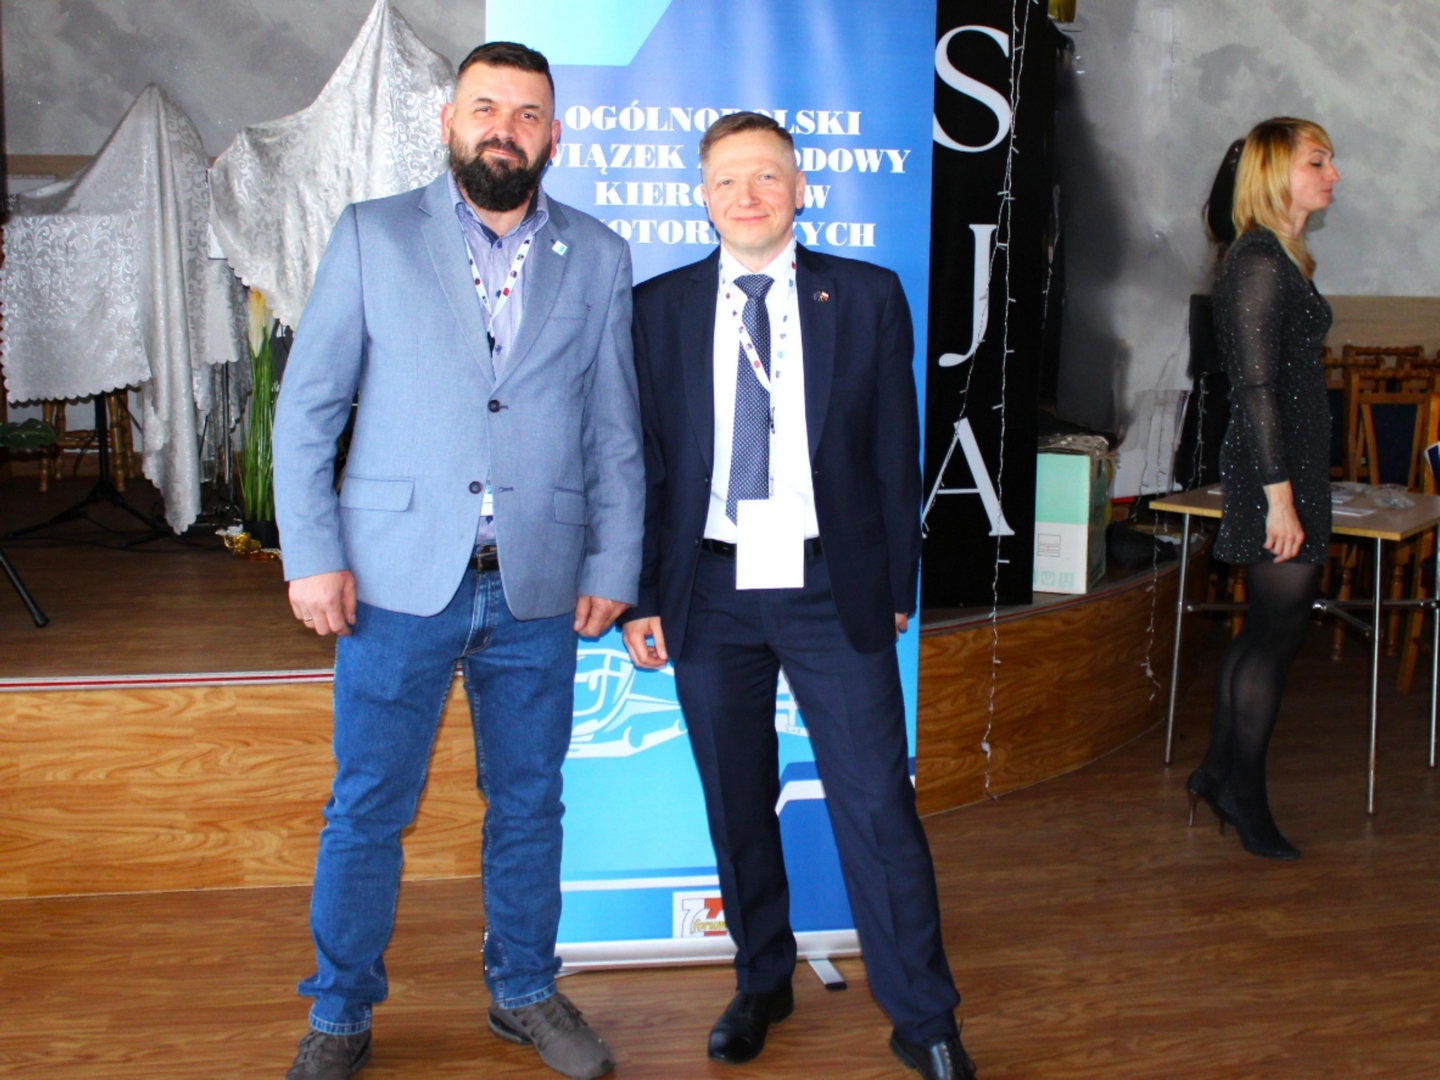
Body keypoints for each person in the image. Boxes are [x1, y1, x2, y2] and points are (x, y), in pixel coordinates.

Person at [272, 42, 641, 1080]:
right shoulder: (372, 234)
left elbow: (614, 430)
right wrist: (312, 554)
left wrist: (614, 560)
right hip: (394, 583)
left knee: (529, 804)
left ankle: (524, 990)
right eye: (486, 108)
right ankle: (339, 1011)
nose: (504, 130)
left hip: (538, 587)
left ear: (554, 135)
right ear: (449, 122)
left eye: (526, 115)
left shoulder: (599, 254)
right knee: (367, 809)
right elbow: (308, 412)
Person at [621, 112, 975, 1080]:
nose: (748, 196)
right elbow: (643, 464)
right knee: (736, 800)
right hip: (708, 587)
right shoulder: (657, 309)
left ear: (800, 190)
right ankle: (761, 978)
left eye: (767, 176)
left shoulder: (865, 296)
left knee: (878, 806)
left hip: (831, 583)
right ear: (703, 197)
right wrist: (642, 596)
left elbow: (895, 452)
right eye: (728, 180)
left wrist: (895, 580)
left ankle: (925, 1018)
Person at [1188, 117, 1339, 860]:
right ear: (1276, 172)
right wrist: (1281, 499)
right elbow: (1253, 388)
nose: (1333, 175)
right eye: (1318, 161)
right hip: (1273, 473)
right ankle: (1243, 794)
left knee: (1269, 634)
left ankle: (1218, 773)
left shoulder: (1282, 255)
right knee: (1275, 638)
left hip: (1291, 467)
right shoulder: (1256, 258)